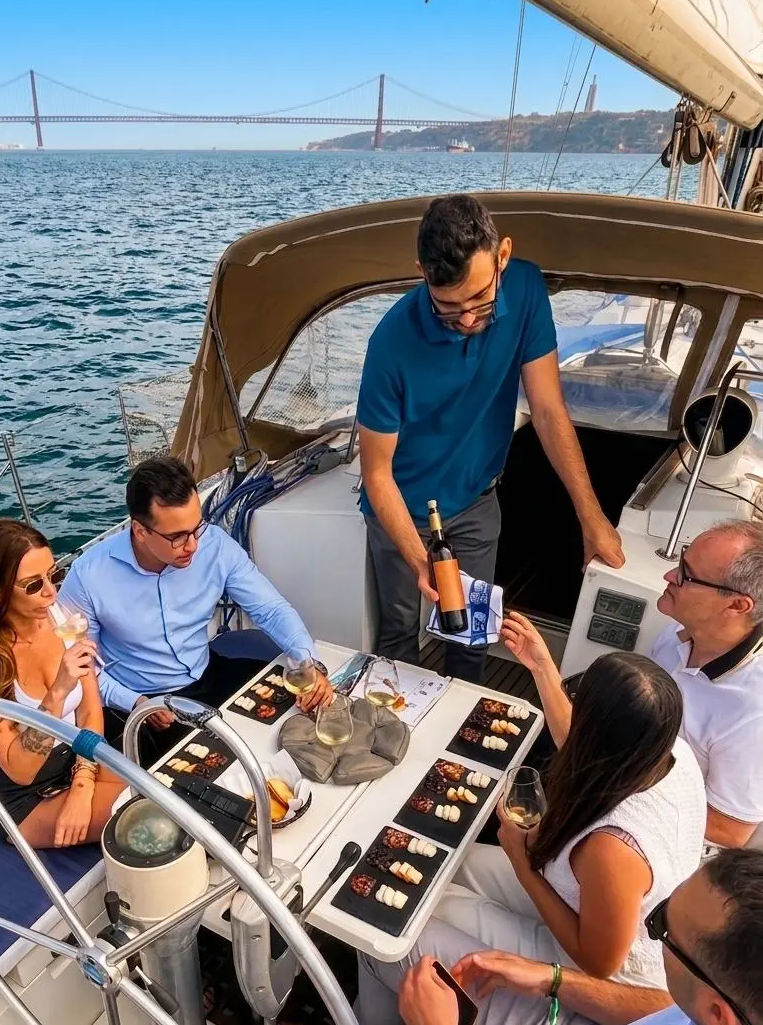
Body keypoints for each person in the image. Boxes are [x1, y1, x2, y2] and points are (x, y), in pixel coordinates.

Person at [259, 848, 763, 1025]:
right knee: (393, 942)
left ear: (719, 1013)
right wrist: (554, 979)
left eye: (661, 929)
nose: (654, 929)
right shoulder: (733, 1013)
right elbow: (667, 1011)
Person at [356, 193, 623, 682]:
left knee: (473, 635)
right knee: (397, 637)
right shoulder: (390, 343)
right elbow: (375, 473)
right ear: (421, 272)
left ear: (503, 256)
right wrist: (421, 562)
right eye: (448, 307)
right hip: (402, 507)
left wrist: (592, 516)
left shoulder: (525, 289)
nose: (468, 320)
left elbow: (546, 408)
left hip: (478, 500)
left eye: (480, 300)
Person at [438, 647, 706, 987]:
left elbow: (600, 963)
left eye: (579, 702)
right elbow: (576, 742)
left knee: (437, 911)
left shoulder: (613, 848)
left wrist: (521, 863)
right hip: (579, 897)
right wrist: (541, 665)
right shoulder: (670, 753)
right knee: (454, 865)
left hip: (602, 967)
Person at [58, 456, 332, 763]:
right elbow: (82, 667)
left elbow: (270, 609)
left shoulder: (215, 545)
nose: (192, 546)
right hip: (142, 703)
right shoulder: (87, 576)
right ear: (139, 530)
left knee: (291, 728)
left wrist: (309, 663)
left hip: (207, 673)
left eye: (196, 528)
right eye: (176, 537)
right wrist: (134, 702)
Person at [0, 519, 125, 849]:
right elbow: (21, 769)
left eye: (54, 574)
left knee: (171, 788)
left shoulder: (60, 617)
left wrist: (83, 784)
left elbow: (90, 711)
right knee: (142, 813)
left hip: (79, 763)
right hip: (26, 797)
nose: (51, 591)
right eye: (33, 585)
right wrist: (58, 690)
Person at [651, 520, 763, 850]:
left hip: (662, 848)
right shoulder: (677, 632)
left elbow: (728, 829)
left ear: (736, 605)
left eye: (686, 574)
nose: (669, 576)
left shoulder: (753, 711)